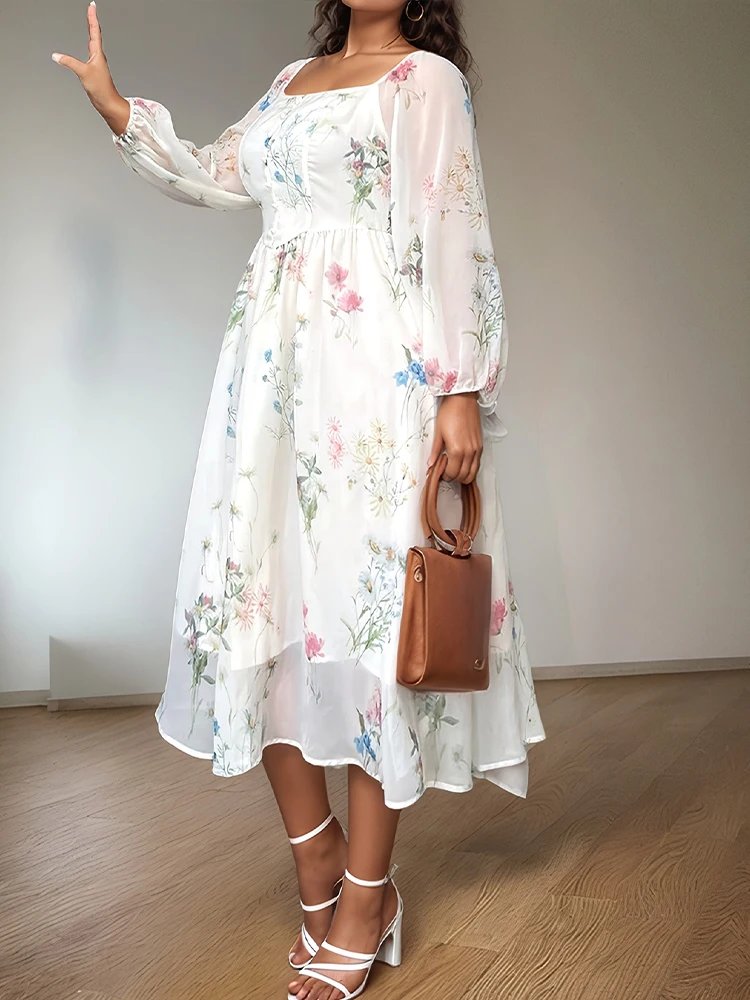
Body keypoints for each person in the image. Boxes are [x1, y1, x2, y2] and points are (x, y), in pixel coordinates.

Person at [53, 1, 546, 996]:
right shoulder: (290, 82)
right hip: (269, 376)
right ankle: (316, 856)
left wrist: (459, 391)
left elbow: (454, 231)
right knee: (264, 611)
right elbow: (216, 172)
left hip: (377, 377)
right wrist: (117, 109)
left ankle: (365, 896)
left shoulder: (426, 82)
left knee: (367, 629)